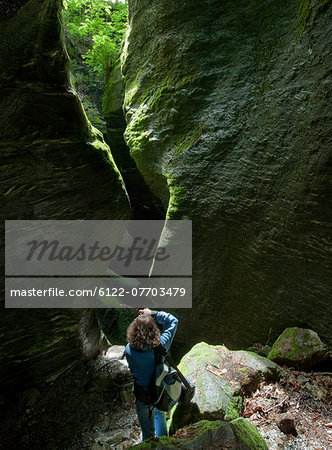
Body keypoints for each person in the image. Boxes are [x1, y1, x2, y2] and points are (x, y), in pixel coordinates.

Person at [125, 308, 178, 441]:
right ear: (154, 330)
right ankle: (163, 442)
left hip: (141, 394)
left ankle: (148, 443)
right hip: (158, 391)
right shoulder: (162, 345)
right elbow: (173, 321)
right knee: (159, 414)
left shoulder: (128, 349)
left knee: (147, 433)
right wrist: (153, 313)